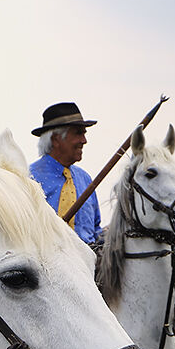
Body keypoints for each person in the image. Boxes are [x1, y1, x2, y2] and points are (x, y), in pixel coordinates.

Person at [29, 102, 102, 244]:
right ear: (56, 139)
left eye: (84, 134)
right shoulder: (28, 179)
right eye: (78, 133)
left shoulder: (85, 179)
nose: (84, 141)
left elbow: (95, 230)